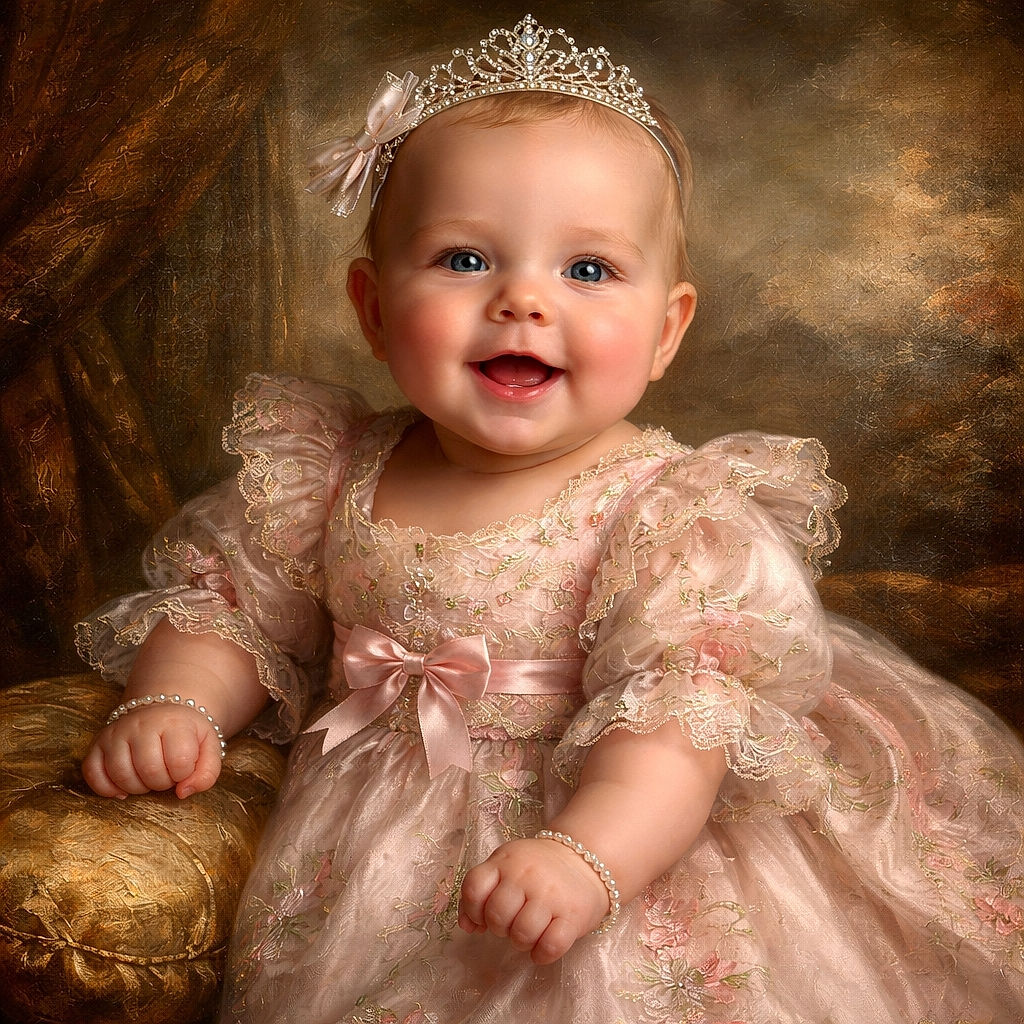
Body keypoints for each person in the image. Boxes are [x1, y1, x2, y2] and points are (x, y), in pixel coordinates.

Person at [77, 16, 1024, 1024]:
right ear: (372, 307)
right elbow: (232, 604)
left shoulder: (668, 517)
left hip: (614, 824)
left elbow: (679, 725)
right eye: (462, 259)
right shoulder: (329, 470)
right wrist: (176, 703)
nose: (523, 300)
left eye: (588, 270)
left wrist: (587, 856)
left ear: (665, 331)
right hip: (366, 846)